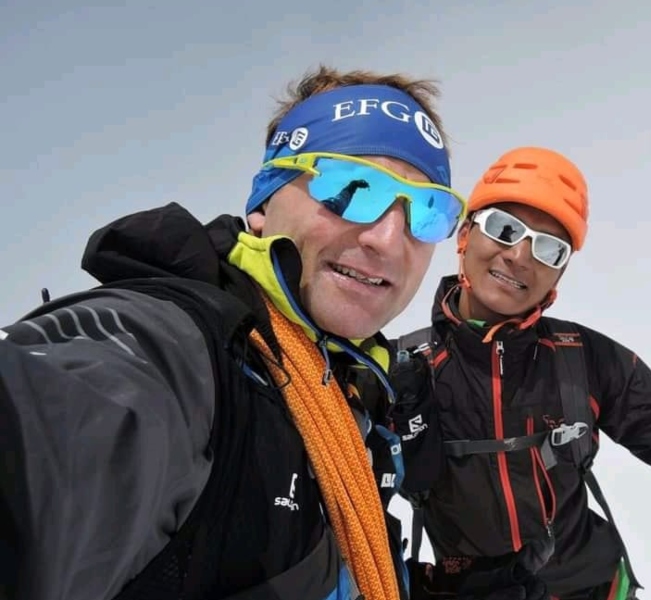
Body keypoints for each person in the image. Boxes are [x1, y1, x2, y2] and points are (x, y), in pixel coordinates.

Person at [0, 68, 547, 600]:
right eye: (352, 188)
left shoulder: (359, 388)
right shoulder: (188, 354)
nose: (387, 237)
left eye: (425, 211)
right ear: (264, 202)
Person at [389, 146, 651, 600]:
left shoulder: (583, 358)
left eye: (549, 248)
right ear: (465, 235)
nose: (520, 256)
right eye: (504, 229)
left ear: (559, 273)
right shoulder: (397, 373)